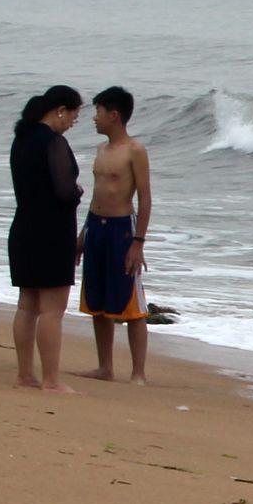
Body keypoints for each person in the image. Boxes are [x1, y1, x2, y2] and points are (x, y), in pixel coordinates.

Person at [8, 85, 85, 394]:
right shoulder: (53, 142)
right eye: (74, 116)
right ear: (60, 110)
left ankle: (25, 373)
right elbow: (65, 189)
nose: (72, 123)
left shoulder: (21, 139)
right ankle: (51, 378)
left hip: (24, 225)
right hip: (52, 231)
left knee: (27, 305)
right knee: (52, 309)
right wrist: (79, 193)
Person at [77, 86, 153, 384]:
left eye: (98, 112)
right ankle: (105, 366)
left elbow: (145, 199)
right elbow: (96, 194)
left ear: (114, 115)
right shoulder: (100, 150)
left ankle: (138, 372)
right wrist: (84, 232)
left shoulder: (135, 150)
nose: (94, 118)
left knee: (131, 304)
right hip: (97, 226)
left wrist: (139, 242)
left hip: (123, 229)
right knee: (96, 300)